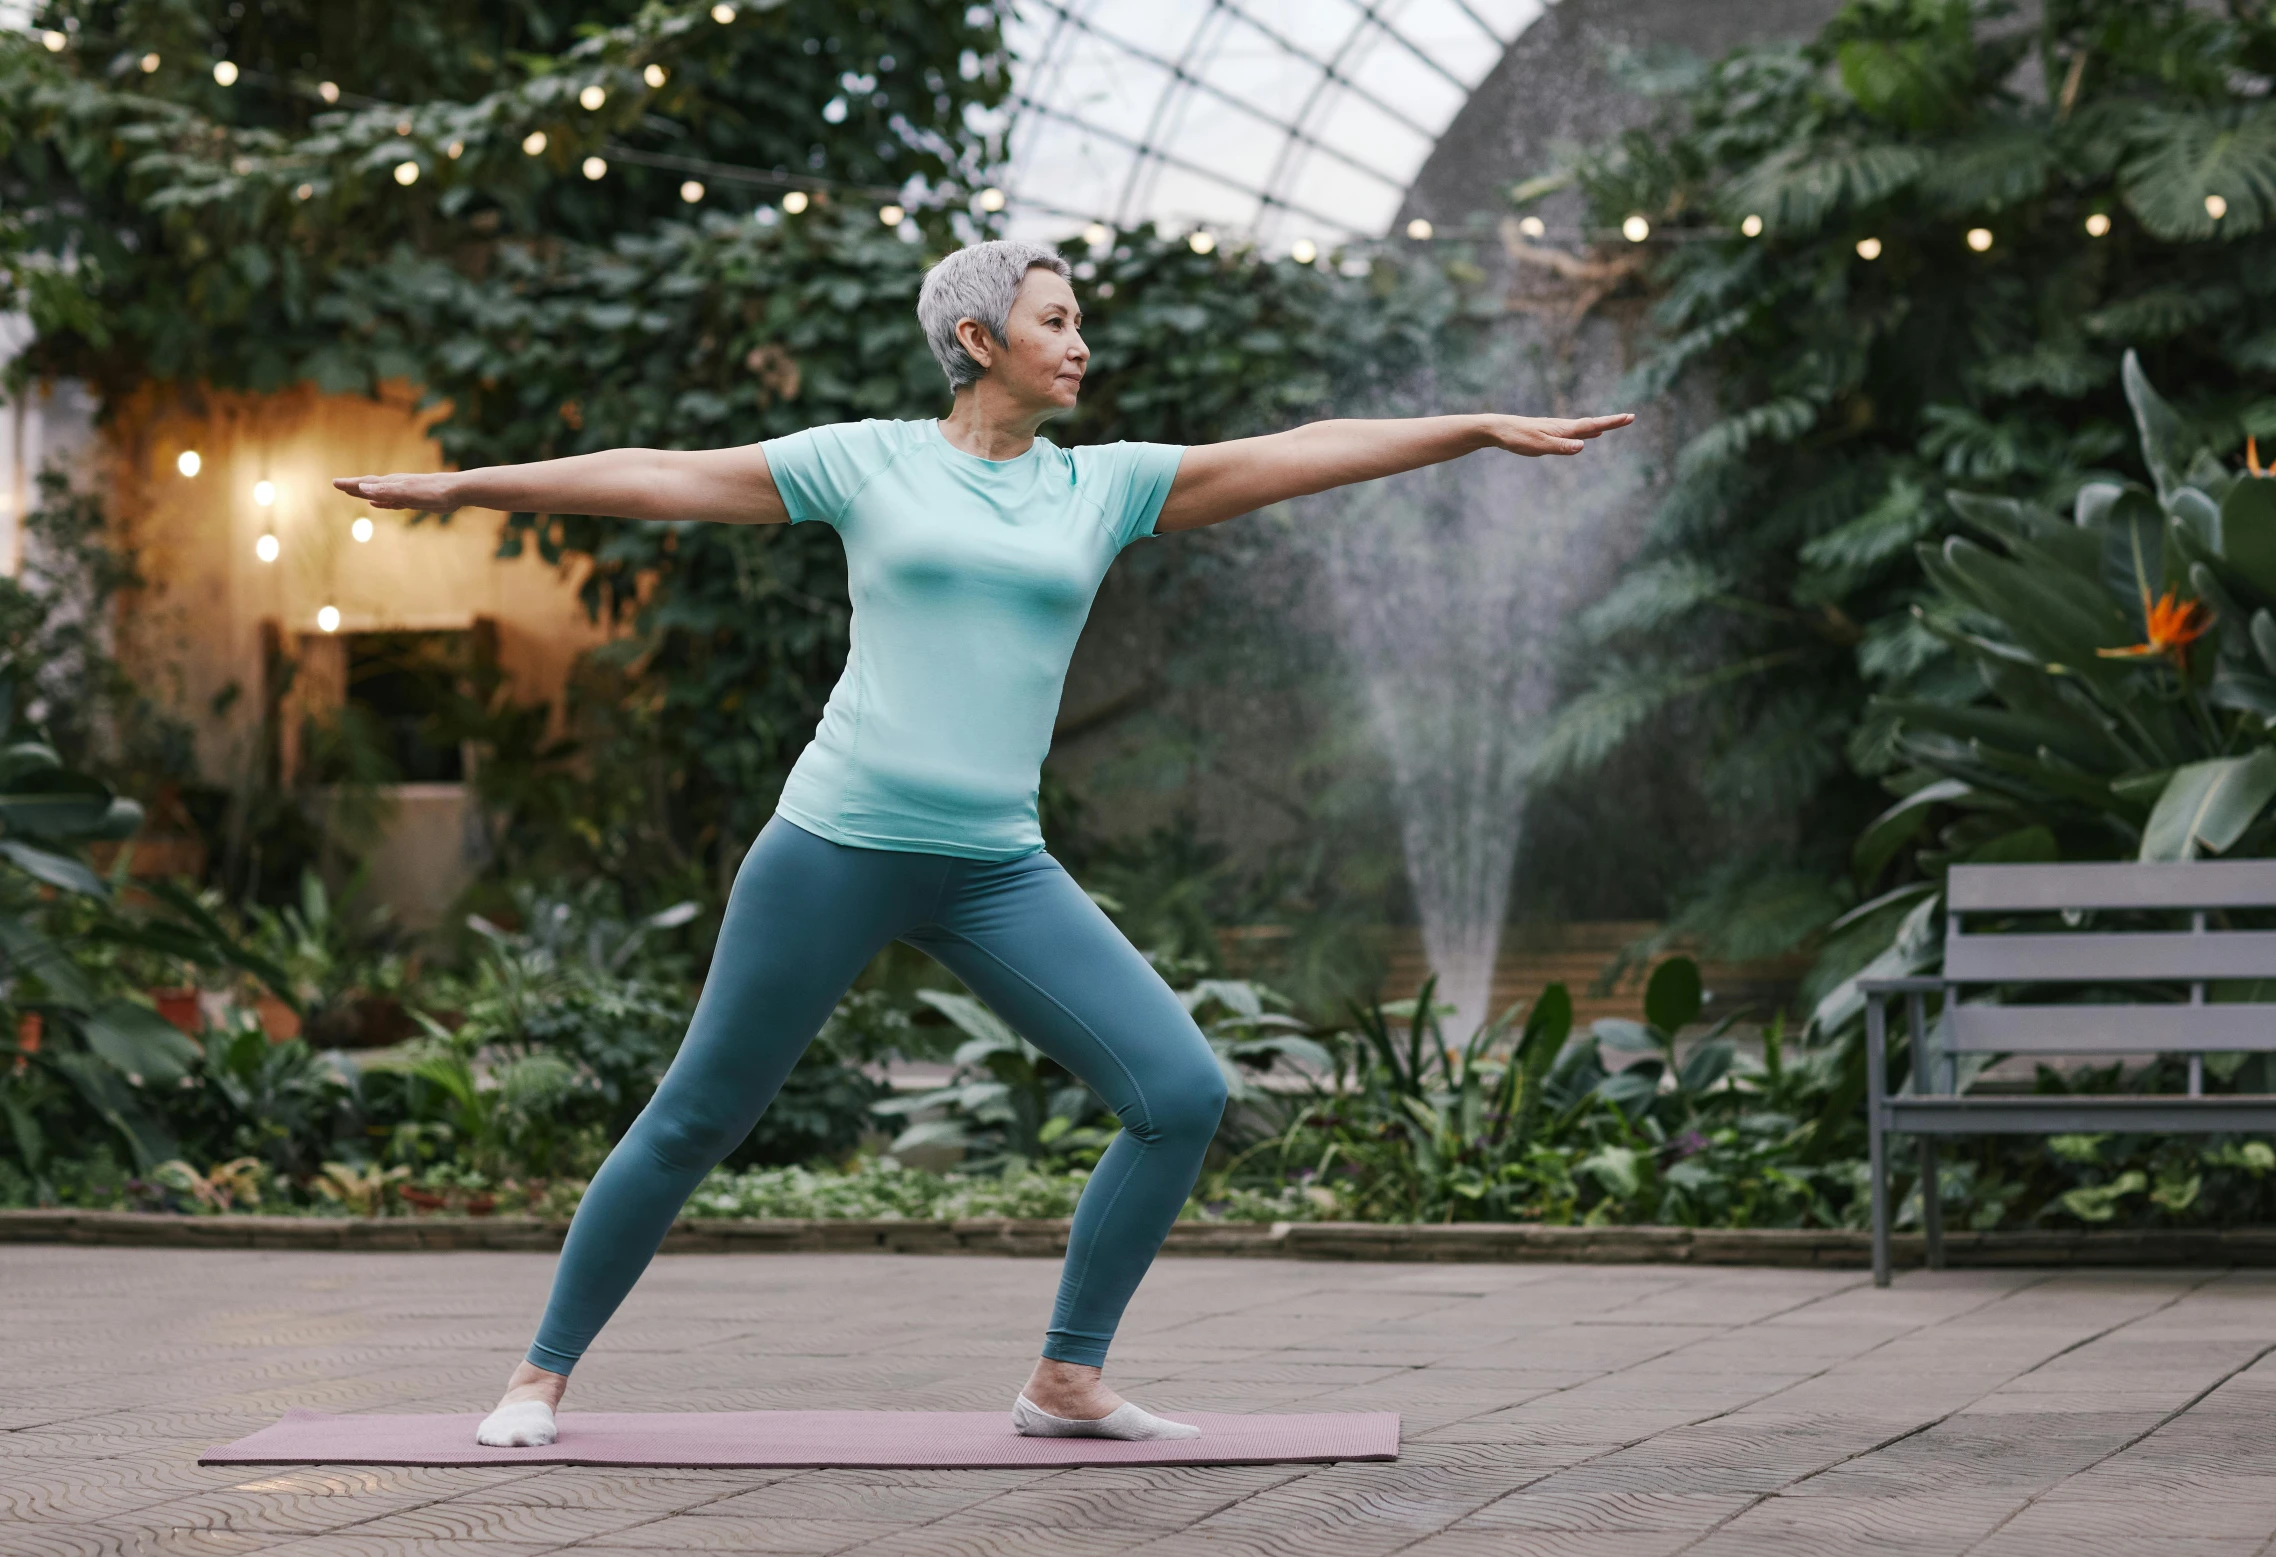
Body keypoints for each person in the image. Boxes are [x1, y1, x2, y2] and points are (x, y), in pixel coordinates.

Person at [336, 239, 1631, 1448]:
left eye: (1079, 323)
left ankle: (1065, 1377)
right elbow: (662, 475)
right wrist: (461, 484)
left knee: (1179, 1095)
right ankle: (537, 1376)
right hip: (832, 843)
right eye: (1054, 320)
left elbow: (1303, 447)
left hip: (994, 865)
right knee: (694, 1117)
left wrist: (1466, 429)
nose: (1080, 343)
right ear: (976, 334)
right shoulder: (868, 463)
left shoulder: (1104, 485)